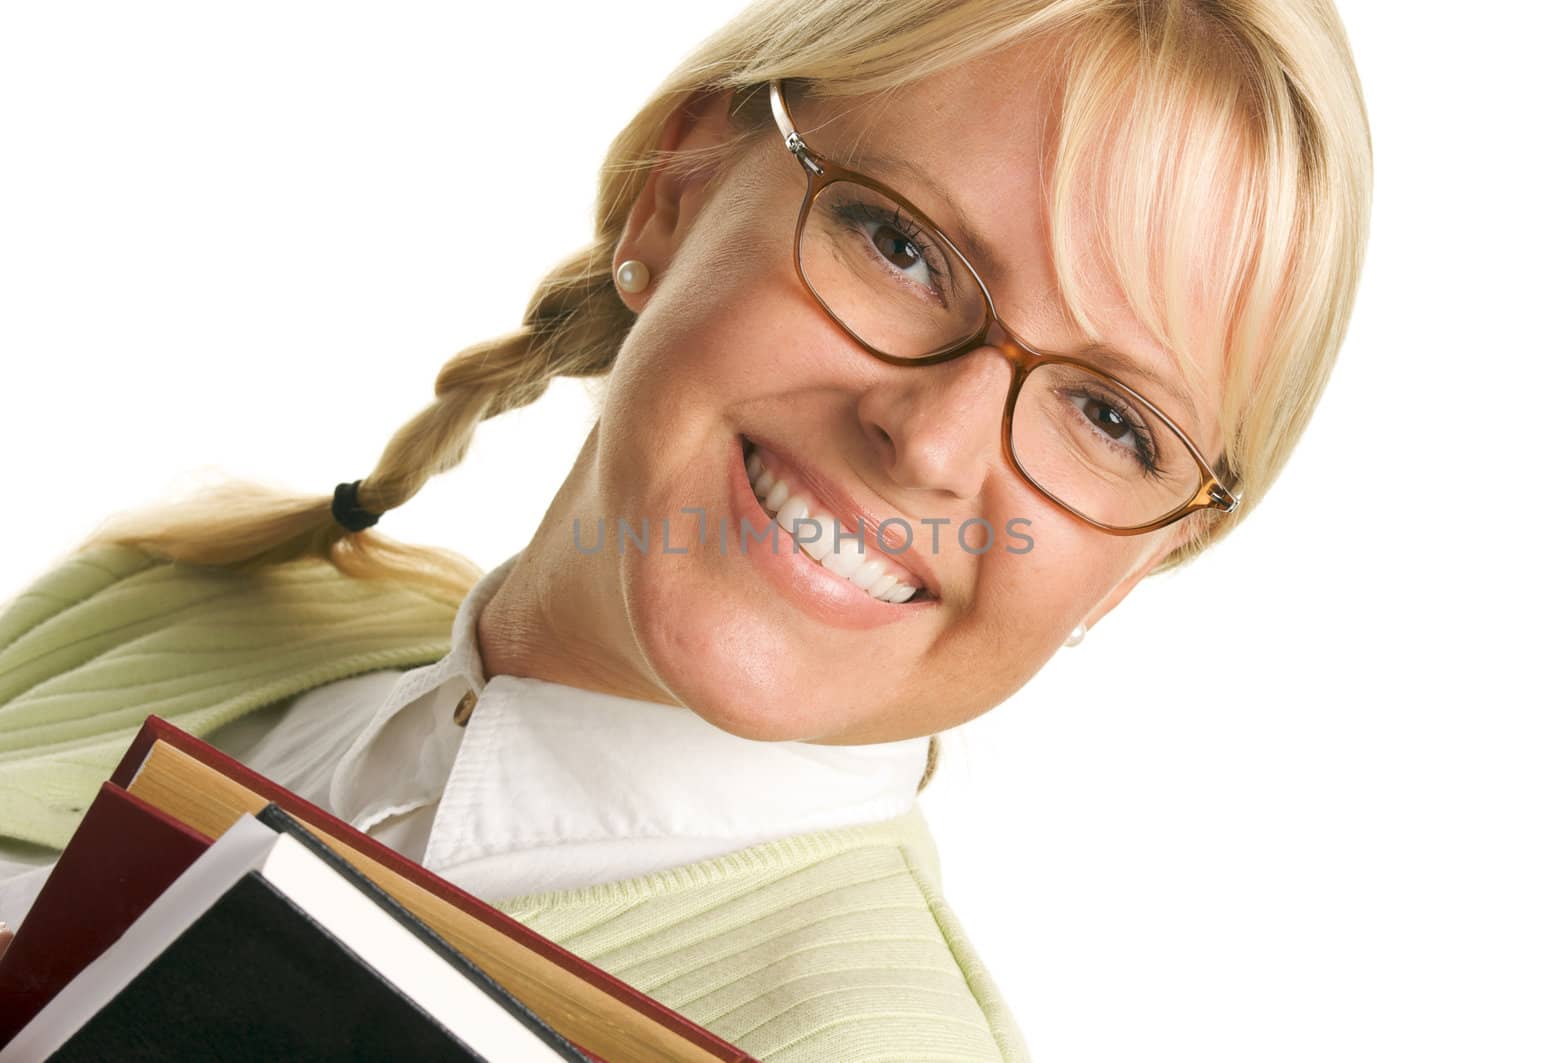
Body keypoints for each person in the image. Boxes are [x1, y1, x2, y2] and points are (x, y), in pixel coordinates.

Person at [0, 0, 1371, 1058]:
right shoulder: (163, 606)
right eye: (903, 247)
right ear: (679, 186)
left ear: (1140, 565)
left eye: (1110, 420)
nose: (938, 446)